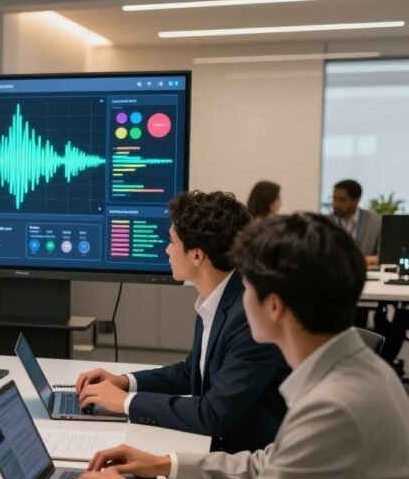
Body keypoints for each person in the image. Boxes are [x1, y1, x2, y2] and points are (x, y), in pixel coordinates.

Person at [71, 213, 409, 479]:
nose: (239, 296)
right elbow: (270, 463)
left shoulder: (337, 407)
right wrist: (164, 463)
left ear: (275, 306)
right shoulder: (358, 375)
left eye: (247, 286)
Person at [76, 191, 289, 456]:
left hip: (244, 465)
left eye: (172, 242)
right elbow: (192, 372)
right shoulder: (222, 297)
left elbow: (214, 413)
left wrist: (127, 402)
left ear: (197, 255)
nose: (166, 250)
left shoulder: (249, 315)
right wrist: (124, 382)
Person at [331, 178, 381, 266]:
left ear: (356, 201)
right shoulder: (327, 222)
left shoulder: (375, 222)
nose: (335, 204)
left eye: (342, 200)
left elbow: (384, 257)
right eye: (334, 199)